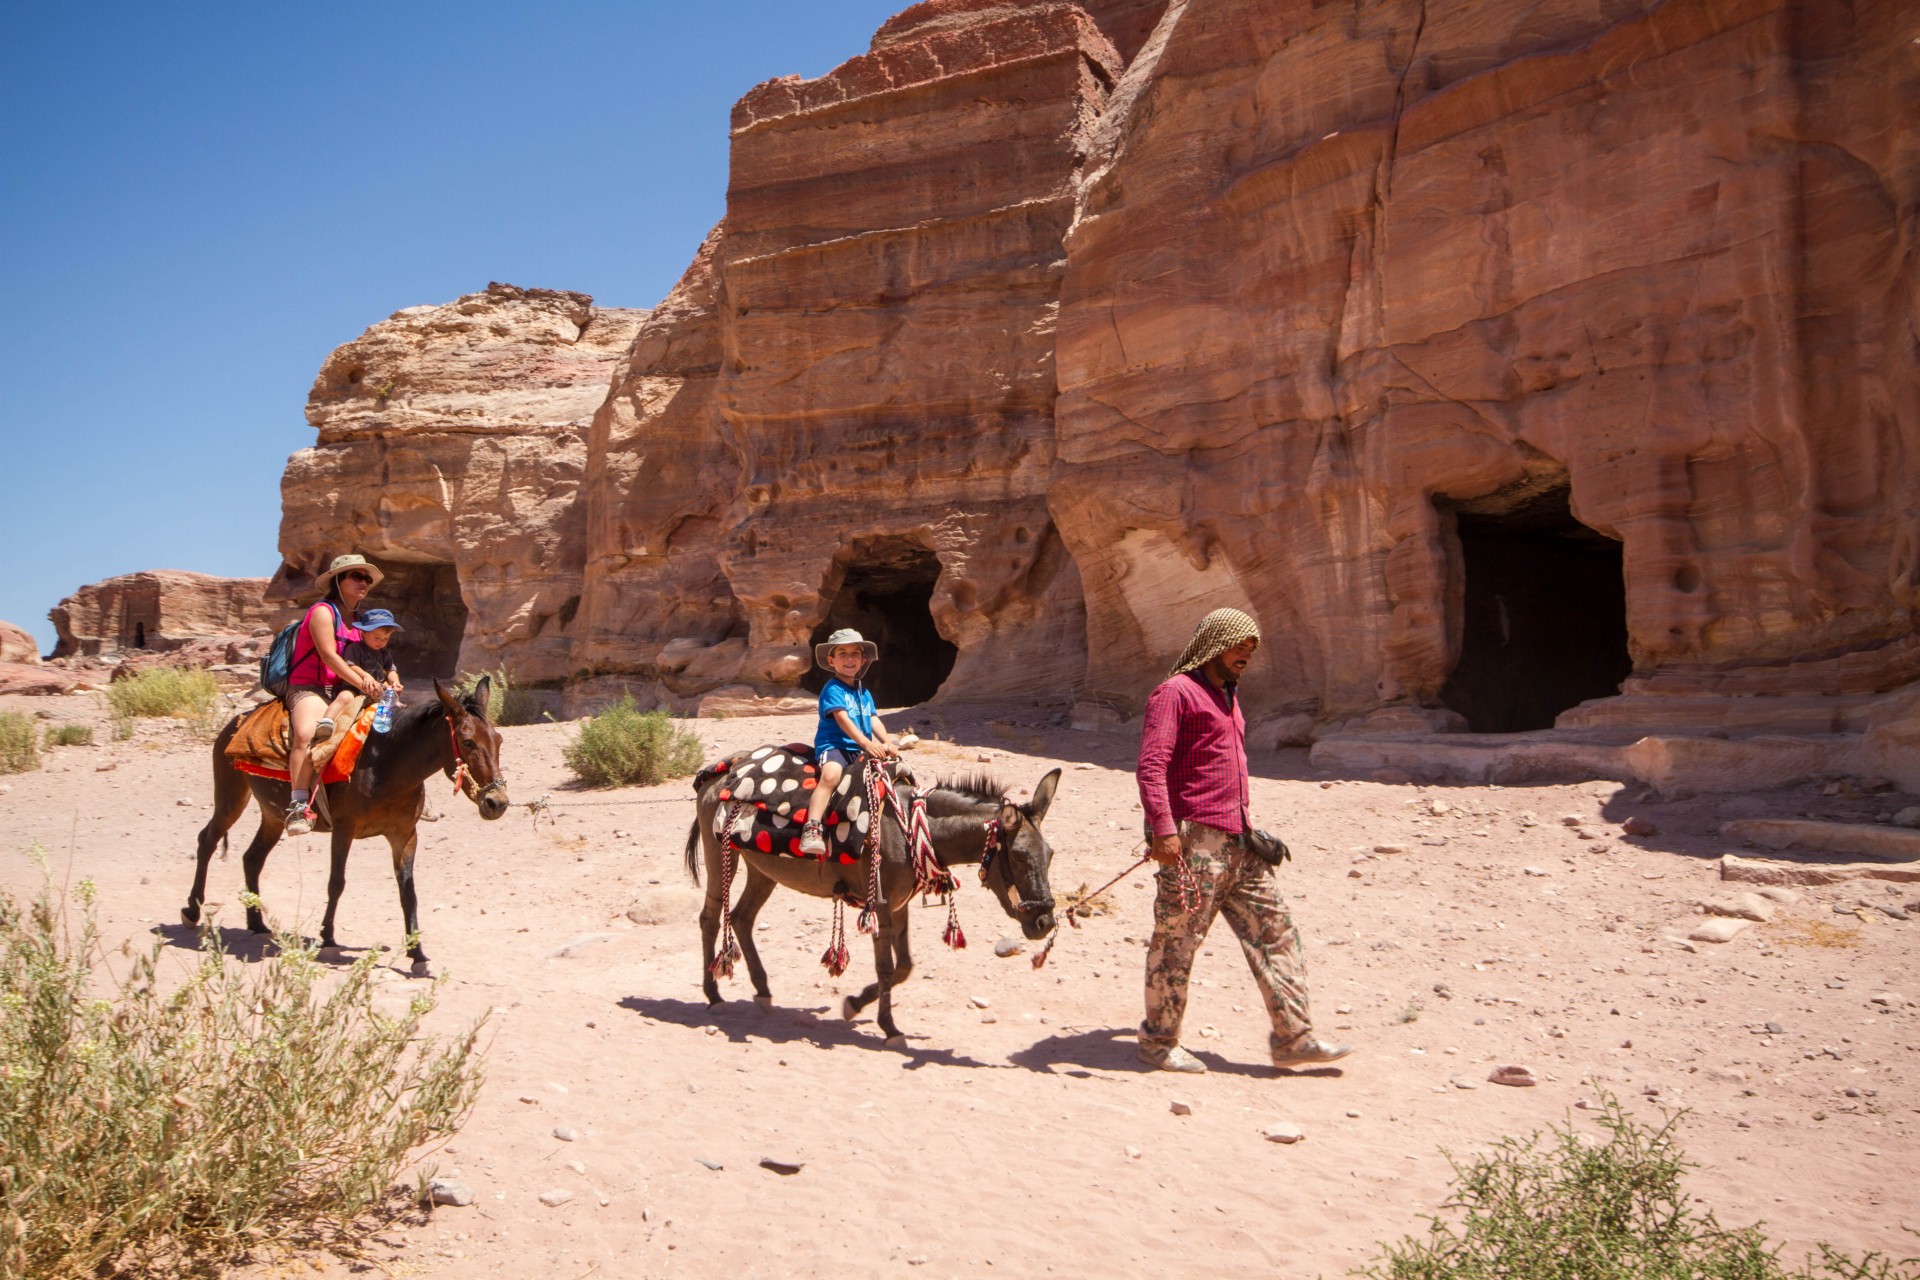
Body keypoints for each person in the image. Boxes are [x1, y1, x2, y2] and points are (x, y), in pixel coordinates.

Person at [1134, 607, 1352, 1074]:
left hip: (1240, 844)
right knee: (1176, 943)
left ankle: (1294, 1037)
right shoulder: (1175, 694)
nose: (1246, 654)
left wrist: (1250, 830)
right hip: (1194, 843)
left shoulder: (1229, 698)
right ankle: (1158, 1043)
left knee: (1277, 933)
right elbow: (1152, 766)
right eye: (1239, 645)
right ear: (1214, 643)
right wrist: (1164, 830)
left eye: (1252, 648)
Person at [284, 554, 387, 836]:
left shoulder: (363, 620)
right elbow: (330, 657)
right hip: (312, 687)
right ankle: (298, 805)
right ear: (338, 581)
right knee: (307, 735)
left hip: (349, 687)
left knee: (395, 726)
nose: (363, 582)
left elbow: (375, 656)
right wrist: (363, 684)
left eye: (367, 578)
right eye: (356, 576)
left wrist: (387, 681)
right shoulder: (322, 612)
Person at [798, 628, 898, 856]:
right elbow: (843, 720)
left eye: (855, 653)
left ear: (863, 660)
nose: (849, 659)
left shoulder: (864, 694)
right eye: (842, 653)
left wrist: (887, 742)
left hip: (861, 747)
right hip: (836, 746)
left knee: (891, 776)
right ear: (831, 661)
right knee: (831, 775)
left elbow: (873, 719)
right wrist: (867, 743)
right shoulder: (832, 689)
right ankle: (812, 828)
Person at [312, 607, 405, 743]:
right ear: (363, 633)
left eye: (386, 638)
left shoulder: (384, 653)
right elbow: (350, 665)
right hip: (355, 687)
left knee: (393, 700)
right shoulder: (355, 648)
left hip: (378, 689)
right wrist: (365, 676)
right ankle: (327, 721)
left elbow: (390, 670)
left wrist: (395, 682)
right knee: (344, 697)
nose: (381, 642)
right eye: (377, 638)